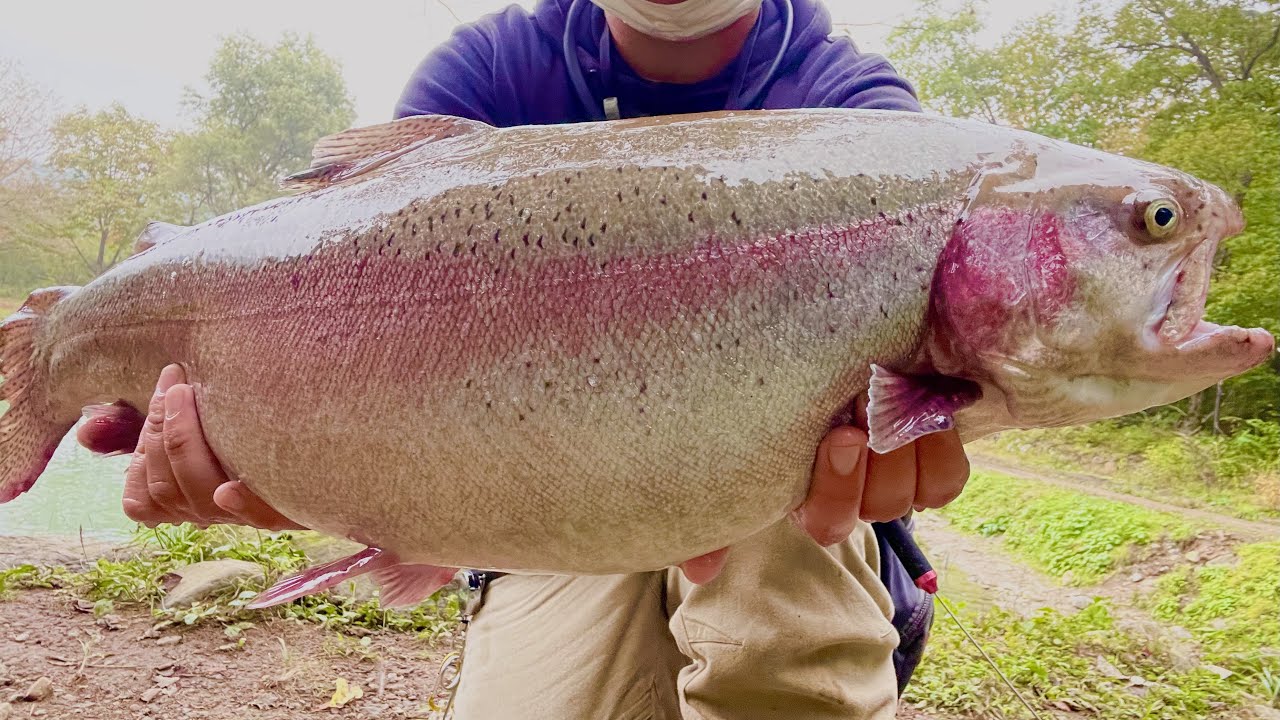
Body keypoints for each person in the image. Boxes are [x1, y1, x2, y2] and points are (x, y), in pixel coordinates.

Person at [98, 1, 972, 717]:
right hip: (538, 522)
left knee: (776, 465)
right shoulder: (488, 70)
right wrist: (308, 469)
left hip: (782, 519)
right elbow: (375, 339)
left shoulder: (855, 108)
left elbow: (906, 406)